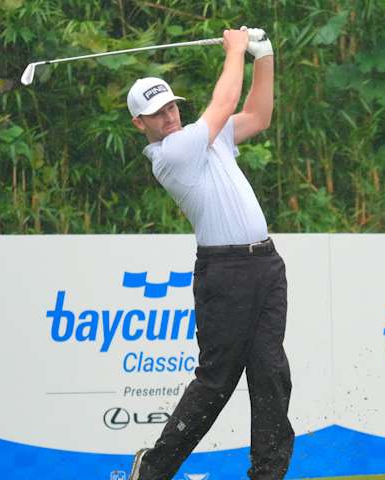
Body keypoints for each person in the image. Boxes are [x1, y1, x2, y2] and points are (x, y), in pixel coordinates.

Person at [125, 27, 293, 480]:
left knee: (271, 371)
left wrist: (264, 56)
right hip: (225, 271)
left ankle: (268, 473)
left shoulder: (207, 137)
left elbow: (257, 115)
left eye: (171, 106)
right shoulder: (171, 153)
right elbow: (222, 104)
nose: (169, 116)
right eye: (157, 114)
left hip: (265, 264)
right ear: (140, 124)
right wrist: (235, 50)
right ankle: (153, 469)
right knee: (217, 381)